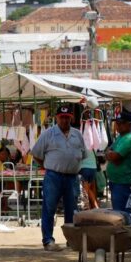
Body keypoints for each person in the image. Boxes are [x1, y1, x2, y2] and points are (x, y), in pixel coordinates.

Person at [31, 104, 87, 252]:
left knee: (72, 210)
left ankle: (71, 240)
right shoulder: (48, 134)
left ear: (71, 118)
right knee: (49, 208)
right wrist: (47, 165)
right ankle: (48, 240)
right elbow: (36, 154)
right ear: (56, 118)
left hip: (72, 178)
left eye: (67, 118)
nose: (64, 120)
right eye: (62, 117)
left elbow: (84, 155)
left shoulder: (78, 134)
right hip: (53, 176)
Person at [106, 110, 131, 223]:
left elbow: (114, 156)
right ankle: (126, 236)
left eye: (121, 123)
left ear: (130, 125)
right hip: (116, 182)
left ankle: (128, 236)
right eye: (118, 123)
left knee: (123, 214)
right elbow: (109, 152)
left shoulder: (130, 139)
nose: (118, 126)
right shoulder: (120, 138)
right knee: (120, 213)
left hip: (123, 183)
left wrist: (112, 156)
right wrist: (112, 156)